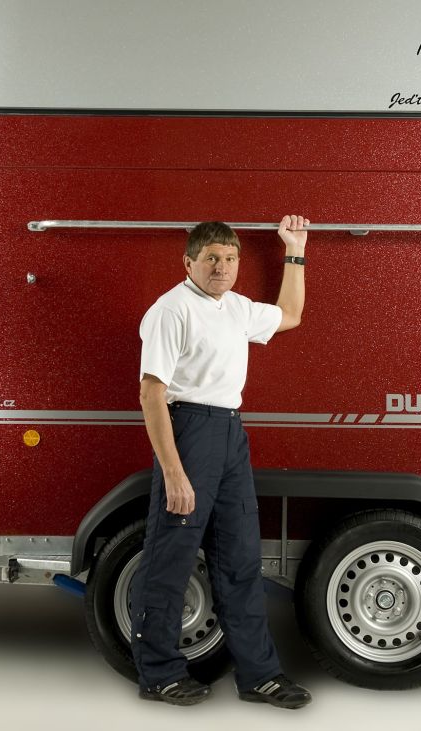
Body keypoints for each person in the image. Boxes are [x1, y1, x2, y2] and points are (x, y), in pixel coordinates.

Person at [130, 215, 311, 709]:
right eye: (211, 258)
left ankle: (259, 676)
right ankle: (159, 674)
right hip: (189, 431)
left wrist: (294, 250)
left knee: (240, 559)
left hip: (230, 431)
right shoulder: (171, 310)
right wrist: (174, 472)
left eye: (230, 258)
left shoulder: (236, 308)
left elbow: (290, 314)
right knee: (171, 558)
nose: (222, 267)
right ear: (189, 262)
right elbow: (151, 394)